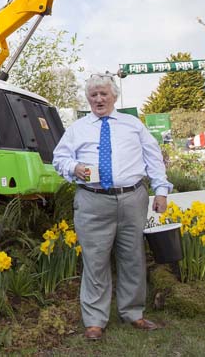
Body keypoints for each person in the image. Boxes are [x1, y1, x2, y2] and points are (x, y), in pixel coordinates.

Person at [52, 73, 173, 341]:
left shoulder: (133, 125)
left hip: (132, 198)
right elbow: (59, 158)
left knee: (133, 257)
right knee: (95, 261)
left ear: (114, 97)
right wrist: (75, 167)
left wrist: (161, 190)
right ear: (88, 98)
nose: (98, 99)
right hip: (93, 200)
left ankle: (133, 313)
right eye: (93, 95)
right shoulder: (77, 128)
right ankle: (95, 321)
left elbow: (153, 158)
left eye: (103, 94)